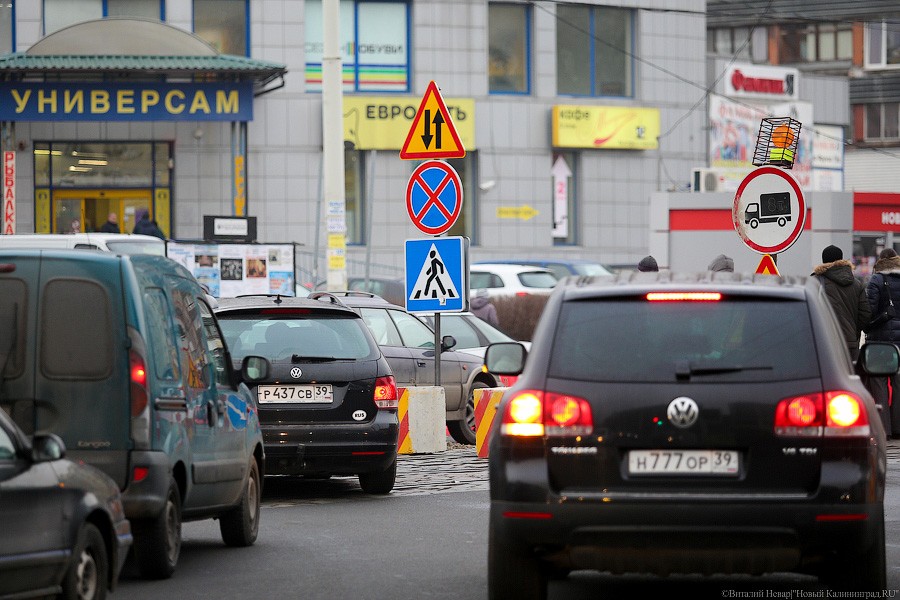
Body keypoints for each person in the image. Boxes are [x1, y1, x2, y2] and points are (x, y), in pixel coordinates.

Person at [864, 247, 900, 439]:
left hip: (880, 341)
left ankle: (883, 429)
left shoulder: (876, 280)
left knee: (879, 384)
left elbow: (869, 311)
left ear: (880, 261)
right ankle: (898, 428)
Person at [811, 245, 870, 362]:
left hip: (823, 343)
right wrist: (853, 333)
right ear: (841, 260)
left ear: (824, 261)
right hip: (849, 345)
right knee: (848, 378)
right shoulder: (857, 284)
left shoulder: (815, 282)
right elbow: (865, 315)